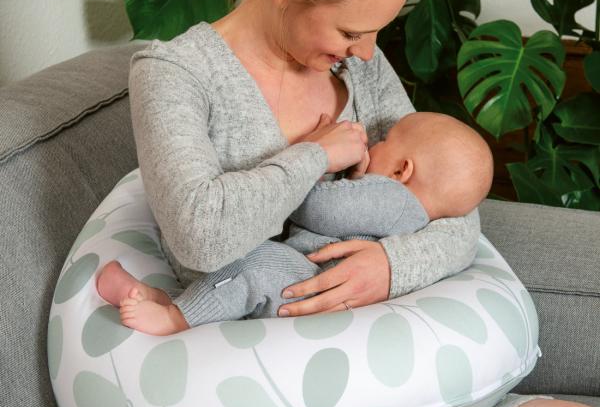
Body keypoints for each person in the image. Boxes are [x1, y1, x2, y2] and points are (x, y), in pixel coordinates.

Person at [97, 0, 600, 407]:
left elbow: (454, 207)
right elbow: (200, 237)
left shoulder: (360, 68)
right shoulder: (176, 74)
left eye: (374, 33)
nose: (365, 52)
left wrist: (390, 264)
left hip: (384, 367)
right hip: (289, 395)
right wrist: (313, 156)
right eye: (351, 32)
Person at [108, 111, 494, 334]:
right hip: (313, 278)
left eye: (386, 139)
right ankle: (170, 301)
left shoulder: (393, 197)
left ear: (401, 170)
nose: (375, 143)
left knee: (252, 265)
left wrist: (314, 160)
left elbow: (316, 210)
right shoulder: (409, 210)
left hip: (310, 281)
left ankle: (176, 319)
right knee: (245, 268)